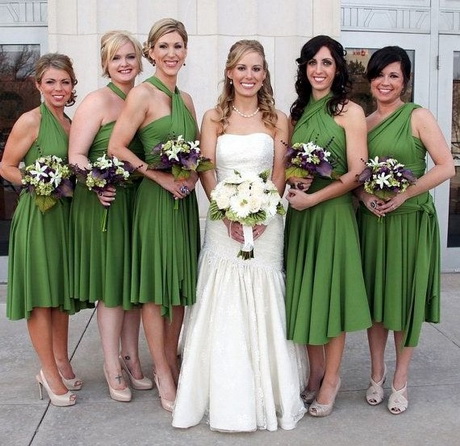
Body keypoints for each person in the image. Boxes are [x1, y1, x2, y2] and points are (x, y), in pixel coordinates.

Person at [172, 40, 307, 432]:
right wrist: (225, 211)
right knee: (224, 293)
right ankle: (223, 390)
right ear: (230, 72)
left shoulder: (278, 119)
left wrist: (267, 211)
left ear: (265, 75)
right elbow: (206, 168)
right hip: (222, 220)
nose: (249, 76)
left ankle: (272, 390)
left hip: (267, 222)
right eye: (242, 68)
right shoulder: (214, 117)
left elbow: (281, 170)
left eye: (257, 69)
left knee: (264, 289)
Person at [356, 46, 455, 414]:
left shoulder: (418, 117)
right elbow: (355, 175)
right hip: (374, 223)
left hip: (410, 221)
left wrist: (404, 193)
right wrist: (364, 197)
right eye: (380, 74)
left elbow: (446, 167)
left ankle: (400, 379)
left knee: (405, 301)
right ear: (370, 79)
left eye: (394, 75)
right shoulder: (362, 124)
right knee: (378, 302)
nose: (386, 82)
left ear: (405, 81)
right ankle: (376, 374)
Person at [108, 18, 199, 412]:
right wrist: (158, 177)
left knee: (178, 286)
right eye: (163, 46)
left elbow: (196, 151)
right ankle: (161, 371)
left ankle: (172, 362)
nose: (171, 53)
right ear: (151, 52)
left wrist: (192, 175)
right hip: (154, 200)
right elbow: (117, 147)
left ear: (185, 51)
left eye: (177, 46)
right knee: (153, 288)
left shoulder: (188, 100)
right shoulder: (142, 95)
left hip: (183, 204)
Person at [284, 35, 372, 417]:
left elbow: (358, 173)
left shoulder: (349, 111)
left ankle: (332, 379)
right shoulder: (297, 113)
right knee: (305, 294)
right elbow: (286, 165)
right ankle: (316, 372)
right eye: (313, 63)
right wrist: (294, 182)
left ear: (338, 69)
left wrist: (314, 197)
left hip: (332, 214)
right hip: (301, 217)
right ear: (304, 68)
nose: (319, 70)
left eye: (327, 63)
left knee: (331, 297)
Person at [68, 31, 152, 402]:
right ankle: (111, 364)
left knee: (132, 286)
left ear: (140, 61)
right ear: (105, 63)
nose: (124, 64)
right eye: (116, 58)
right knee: (112, 288)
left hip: (138, 201)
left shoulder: (143, 99)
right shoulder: (97, 101)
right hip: (107, 200)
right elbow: (77, 155)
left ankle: (132, 357)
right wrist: (97, 182)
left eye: (130, 57)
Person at [0, 53, 80, 406]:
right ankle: (47, 371)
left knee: (59, 295)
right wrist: (37, 181)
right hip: (38, 217)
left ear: (73, 85)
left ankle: (61, 361)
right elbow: (6, 166)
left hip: (64, 219)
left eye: (64, 82)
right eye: (50, 82)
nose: (58, 88)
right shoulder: (30, 121)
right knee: (40, 298)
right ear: (38, 85)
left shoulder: (70, 123)